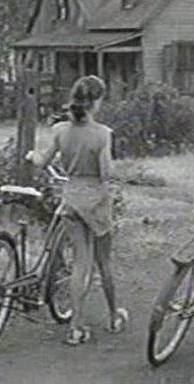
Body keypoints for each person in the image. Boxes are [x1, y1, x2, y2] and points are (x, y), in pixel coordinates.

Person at [26, 75, 128, 346]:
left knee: (80, 265)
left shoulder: (60, 130)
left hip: (70, 198)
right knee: (104, 262)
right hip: (96, 201)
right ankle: (113, 315)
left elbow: (42, 161)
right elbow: (107, 172)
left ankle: (75, 327)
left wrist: (31, 156)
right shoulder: (103, 134)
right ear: (97, 101)